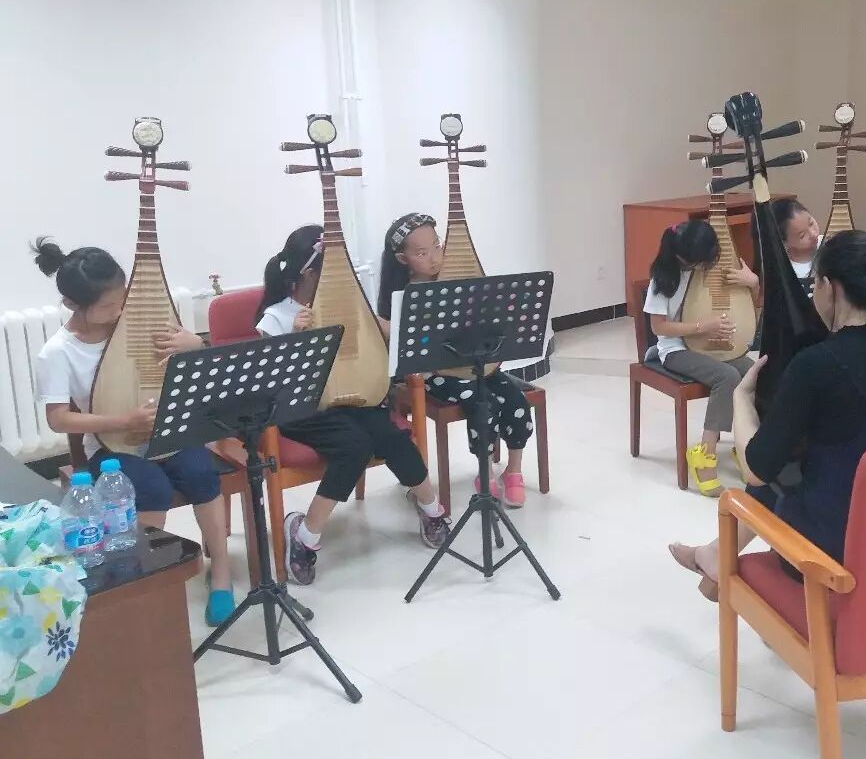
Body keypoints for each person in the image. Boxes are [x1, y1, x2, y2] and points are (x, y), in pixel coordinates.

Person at [669, 230, 866, 598]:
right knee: (798, 461)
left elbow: (755, 469)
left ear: (829, 287)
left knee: (775, 468)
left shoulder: (818, 364)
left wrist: (742, 401)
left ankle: (717, 557)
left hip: (832, 559)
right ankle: (714, 555)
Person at [31, 238, 236, 625]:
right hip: (109, 445)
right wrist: (124, 421)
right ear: (72, 304)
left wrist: (195, 344)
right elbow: (59, 419)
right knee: (150, 486)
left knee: (200, 471)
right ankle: (147, 585)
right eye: (107, 306)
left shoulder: (138, 327)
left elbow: (187, 370)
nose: (119, 311)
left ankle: (221, 575)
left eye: (121, 299)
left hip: (164, 432)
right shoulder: (58, 352)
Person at [256, 225, 449, 586]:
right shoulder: (276, 316)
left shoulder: (344, 306)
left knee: (392, 437)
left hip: (350, 400)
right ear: (309, 274)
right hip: (303, 410)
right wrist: (297, 338)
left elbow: (369, 349)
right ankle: (304, 535)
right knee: (354, 446)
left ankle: (432, 509)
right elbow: (272, 382)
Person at [376, 212, 535, 507]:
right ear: (402, 259)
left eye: (437, 246)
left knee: (515, 400)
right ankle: (485, 472)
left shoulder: (456, 280)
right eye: (422, 253)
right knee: (482, 402)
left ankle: (514, 470)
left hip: (475, 365)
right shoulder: (408, 294)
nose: (434, 258)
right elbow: (409, 343)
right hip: (437, 375)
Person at [644, 220, 759, 497]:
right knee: (726, 376)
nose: (705, 265)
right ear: (683, 256)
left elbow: (751, 306)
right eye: (700, 261)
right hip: (676, 350)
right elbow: (658, 327)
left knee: (755, 372)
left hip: (709, 346)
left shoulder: (709, 270)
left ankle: (746, 443)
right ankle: (704, 454)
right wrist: (702, 327)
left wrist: (753, 284)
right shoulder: (663, 279)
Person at [772, 199, 822, 282]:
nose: (813, 234)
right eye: (802, 235)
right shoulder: (786, 274)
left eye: (811, 223)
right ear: (784, 242)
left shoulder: (830, 243)